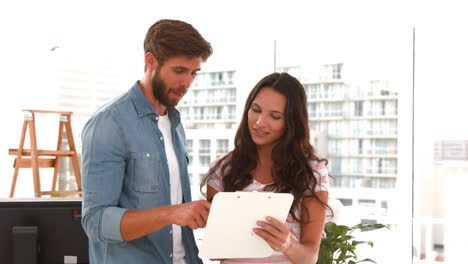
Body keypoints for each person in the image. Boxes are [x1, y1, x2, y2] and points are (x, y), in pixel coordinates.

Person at [81, 19, 212, 264]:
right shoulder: (109, 124)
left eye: (194, 73)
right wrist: (172, 214)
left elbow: (177, 212)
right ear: (151, 61)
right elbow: (95, 222)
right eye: (179, 71)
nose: (187, 83)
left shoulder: (175, 124)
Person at [201, 72, 330, 264]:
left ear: (291, 123)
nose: (260, 122)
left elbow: (310, 258)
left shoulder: (312, 172)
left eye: (275, 116)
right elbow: (215, 253)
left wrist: (287, 244)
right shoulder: (223, 169)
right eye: (256, 109)